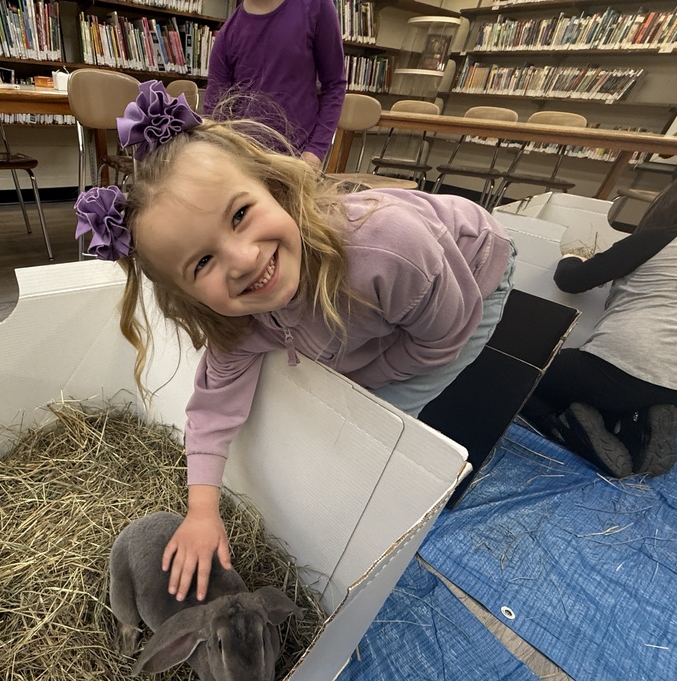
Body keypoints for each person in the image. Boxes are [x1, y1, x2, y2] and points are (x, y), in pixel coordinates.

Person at [76, 81, 515, 601]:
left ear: (274, 188)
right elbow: (213, 409)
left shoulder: (387, 250)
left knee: (385, 415)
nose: (242, 259)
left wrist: (362, 384)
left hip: (469, 273)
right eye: (202, 262)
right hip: (380, 294)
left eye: (240, 215)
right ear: (189, 295)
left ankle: (392, 505)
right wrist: (201, 510)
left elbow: (442, 336)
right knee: (344, 367)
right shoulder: (236, 319)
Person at [520, 168, 677, 479]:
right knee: (610, 390)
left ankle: (565, 427)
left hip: (616, 368)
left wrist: (572, 257)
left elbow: (571, 280)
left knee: (520, 371)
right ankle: (636, 425)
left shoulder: (665, 237)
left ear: (672, 205)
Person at [201, 0, 346, 171]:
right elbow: (214, 109)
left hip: (297, 163)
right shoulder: (228, 33)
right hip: (244, 162)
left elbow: (335, 84)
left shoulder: (316, 6)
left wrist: (315, 151)